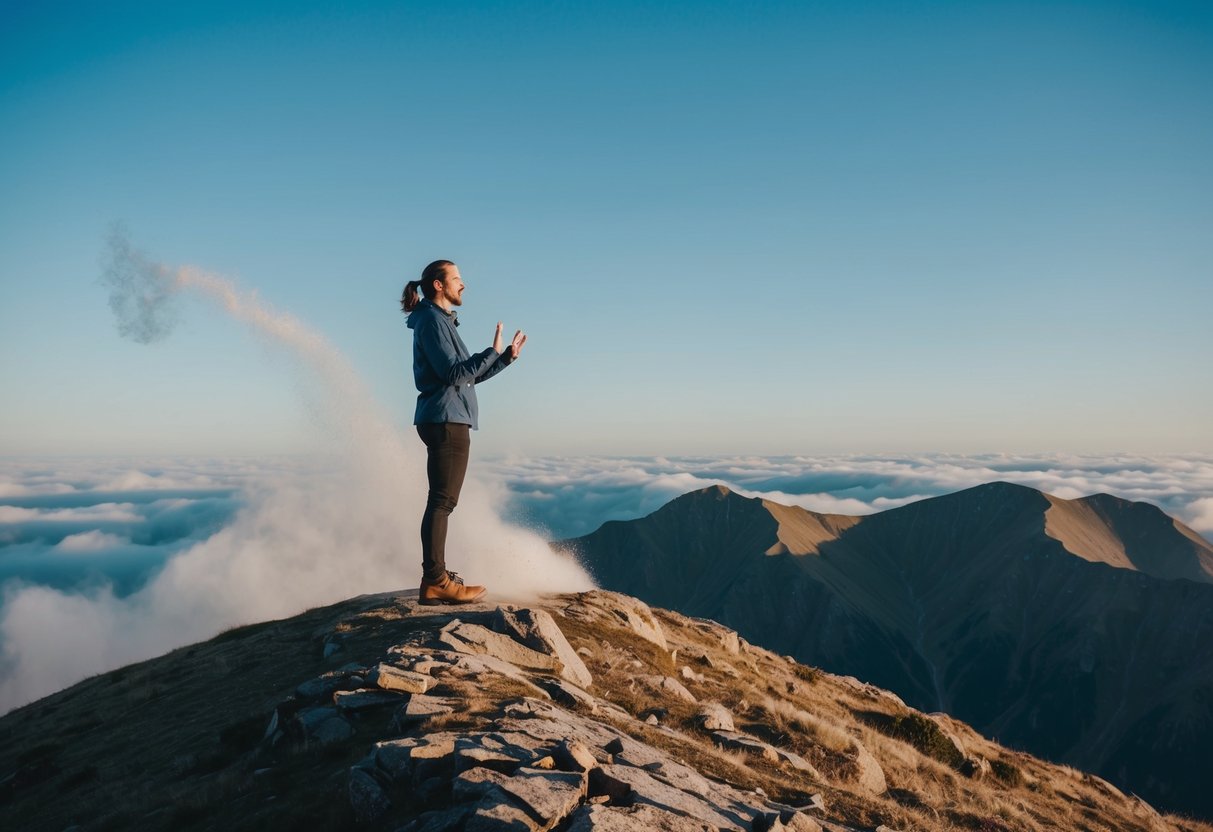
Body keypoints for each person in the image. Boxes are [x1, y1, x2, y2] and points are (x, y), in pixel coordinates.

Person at [401, 260, 526, 605]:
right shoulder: (431, 321)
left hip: (446, 416)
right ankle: (436, 580)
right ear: (438, 285)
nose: (464, 284)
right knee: (442, 502)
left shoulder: (437, 321)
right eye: (457, 278)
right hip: (445, 419)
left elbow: (465, 377)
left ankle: (436, 577)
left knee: (442, 501)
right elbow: (455, 373)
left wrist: (503, 359)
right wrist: (491, 351)